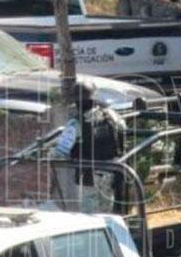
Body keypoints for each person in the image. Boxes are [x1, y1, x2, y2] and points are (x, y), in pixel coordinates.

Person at [52, 81, 127, 214]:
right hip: (110, 174)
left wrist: (43, 153)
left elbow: (60, 152)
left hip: (88, 178)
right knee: (106, 215)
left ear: (76, 101)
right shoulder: (112, 116)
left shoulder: (75, 124)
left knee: (89, 216)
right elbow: (123, 131)